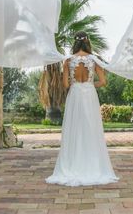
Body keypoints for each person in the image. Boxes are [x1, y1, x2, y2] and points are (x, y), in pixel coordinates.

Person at [46, 32, 119, 186]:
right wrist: (90, 85)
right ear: (87, 42)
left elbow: (66, 84)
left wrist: (76, 84)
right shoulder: (93, 60)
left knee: (74, 127)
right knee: (91, 128)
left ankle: (73, 164)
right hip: (89, 95)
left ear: (75, 43)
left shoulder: (68, 60)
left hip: (74, 95)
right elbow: (103, 81)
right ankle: (93, 164)